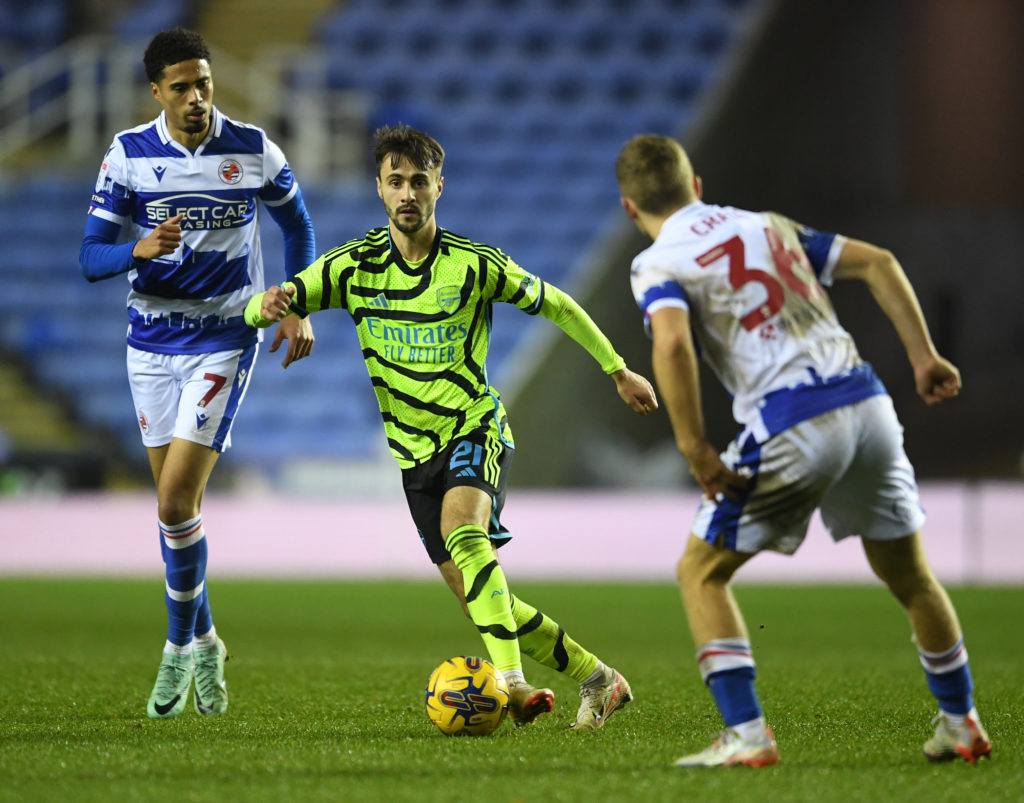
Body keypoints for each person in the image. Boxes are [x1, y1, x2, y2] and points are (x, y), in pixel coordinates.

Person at [244, 124, 658, 729]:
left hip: (475, 427)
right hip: (413, 457)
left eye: (418, 181)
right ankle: (600, 679)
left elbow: (558, 304)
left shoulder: (473, 265)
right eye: (395, 182)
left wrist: (618, 369)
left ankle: (510, 684)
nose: (407, 193)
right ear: (380, 190)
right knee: (484, 604)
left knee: (466, 536)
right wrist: (272, 306)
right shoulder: (351, 267)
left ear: (440, 185)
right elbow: (261, 306)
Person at [616, 134, 991, 767]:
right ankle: (962, 722)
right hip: (869, 406)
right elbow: (879, 262)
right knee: (911, 576)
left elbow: (673, 345)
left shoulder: (657, 261)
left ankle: (747, 735)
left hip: (794, 419)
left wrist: (695, 447)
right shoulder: (768, 226)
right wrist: (924, 358)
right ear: (697, 186)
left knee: (700, 571)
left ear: (630, 209)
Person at [79, 28, 316, 719]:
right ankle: (208, 636)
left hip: (224, 335)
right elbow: (90, 257)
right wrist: (137, 247)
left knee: (174, 500)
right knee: (175, 511)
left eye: (203, 83)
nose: (195, 98)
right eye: (180, 87)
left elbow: (297, 227)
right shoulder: (128, 156)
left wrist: (295, 305)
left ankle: (177, 646)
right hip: (149, 345)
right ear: (155, 92)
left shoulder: (252, 148)